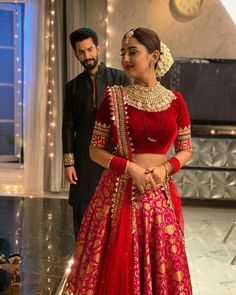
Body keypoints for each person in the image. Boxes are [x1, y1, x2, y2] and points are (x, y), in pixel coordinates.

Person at [63, 27, 192, 294]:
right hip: (119, 193)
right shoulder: (114, 98)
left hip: (159, 194)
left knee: (162, 268)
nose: (125, 59)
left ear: (154, 56)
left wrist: (166, 168)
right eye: (123, 53)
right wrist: (129, 167)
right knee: (116, 266)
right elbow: (95, 150)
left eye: (133, 52)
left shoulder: (175, 101)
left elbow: (186, 149)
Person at [62, 27, 130, 239]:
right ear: (76, 54)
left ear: (98, 48)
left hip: (113, 156)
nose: (87, 56)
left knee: (113, 210)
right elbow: (68, 126)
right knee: (83, 211)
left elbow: (130, 119)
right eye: (81, 52)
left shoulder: (119, 78)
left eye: (90, 49)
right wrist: (69, 163)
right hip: (83, 158)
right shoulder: (72, 87)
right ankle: (83, 262)